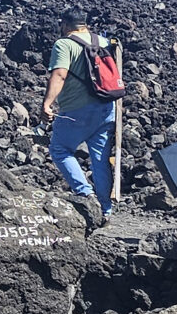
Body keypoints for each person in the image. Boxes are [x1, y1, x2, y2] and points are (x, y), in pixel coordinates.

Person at [42, 14, 122, 211]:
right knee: (100, 159)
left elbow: (60, 75)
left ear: (66, 24)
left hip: (76, 110)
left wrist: (47, 104)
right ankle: (105, 209)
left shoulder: (64, 44)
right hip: (106, 107)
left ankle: (85, 193)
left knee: (60, 150)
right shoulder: (104, 41)